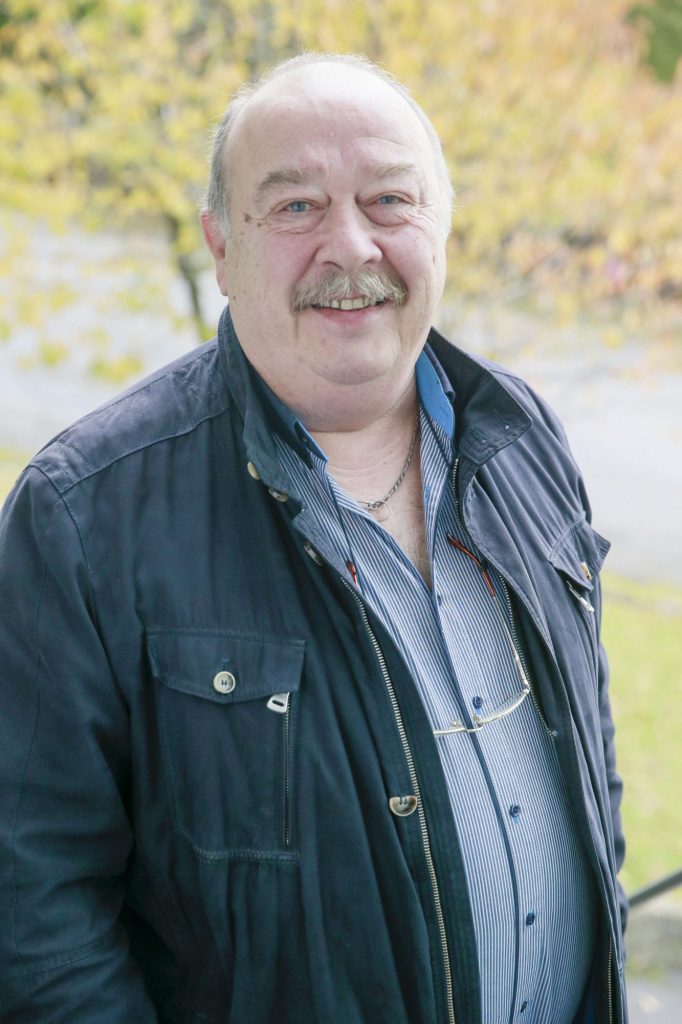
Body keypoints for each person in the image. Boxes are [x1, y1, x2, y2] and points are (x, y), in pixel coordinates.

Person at [0, 52, 627, 1024]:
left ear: (441, 227)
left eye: (389, 200)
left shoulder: (521, 437)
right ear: (220, 246)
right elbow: (33, 909)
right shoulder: (82, 516)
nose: (351, 245)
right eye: (295, 207)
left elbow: (589, 752)